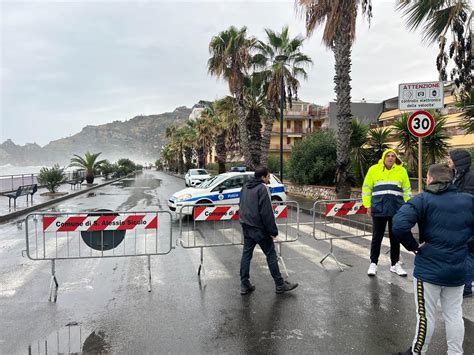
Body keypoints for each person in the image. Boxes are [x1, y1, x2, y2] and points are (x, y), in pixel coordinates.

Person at [392, 164, 474, 355]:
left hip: (429, 269)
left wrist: (413, 246)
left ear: (429, 179)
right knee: (454, 314)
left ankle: (417, 352)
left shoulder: (423, 199)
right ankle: (455, 353)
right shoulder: (469, 200)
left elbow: (399, 224)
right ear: (451, 179)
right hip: (457, 268)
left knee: (425, 316)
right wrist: (467, 246)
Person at [239, 166, 298, 295]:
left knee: (246, 255)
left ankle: (244, 284)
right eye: (268, 177)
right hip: (260, 229)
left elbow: (241, 205)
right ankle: (280, 284)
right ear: (263, 177)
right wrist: (273, 231)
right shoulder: (262, 188)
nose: (269, 179)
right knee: (271, 255)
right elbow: (267, 212)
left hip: (246, 226)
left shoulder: (245, 187)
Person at [362, 149, 412, 276]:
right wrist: (367, 205)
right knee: (376, 237)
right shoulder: (374, 169)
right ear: (384, 157)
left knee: (395, 238)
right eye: (388, 156)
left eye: (393, 156)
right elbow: (366, 188)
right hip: (379, 208)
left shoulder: (401, 171)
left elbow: (407, 190)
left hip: (397, 209)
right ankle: (373, 263)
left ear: (396, 158)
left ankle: (395, 264)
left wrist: (408, 206)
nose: (390, 158)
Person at [448, 149, 474, 298]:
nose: (448, 160)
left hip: (469, 223)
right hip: (462, 222)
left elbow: (467, 201)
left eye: (450, 158)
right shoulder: (458, 175)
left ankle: (466, 288)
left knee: (469, 254)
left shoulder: (469, 177)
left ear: (458, 160)